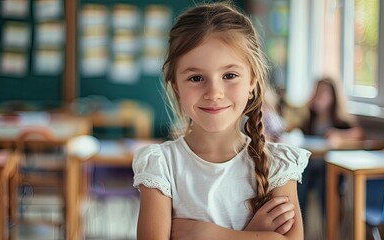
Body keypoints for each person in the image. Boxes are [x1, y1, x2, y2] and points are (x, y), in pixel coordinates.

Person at [132, 3, 310, 240]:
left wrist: (207, 233)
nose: (214, 92)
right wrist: (256, 235)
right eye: (196, 78)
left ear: (252, 82)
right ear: (176, 86)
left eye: (229, 75)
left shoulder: (278, 164)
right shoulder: (160, 166)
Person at [296, 77, 363, 225]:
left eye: (323, 93)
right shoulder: (310, 118)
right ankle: (300, 229)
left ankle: (329, 228)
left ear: (333, 97)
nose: (318, 97)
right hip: (309, 167)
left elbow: (358, 133)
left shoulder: (339, 120)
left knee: (323, 183)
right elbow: (295, 129)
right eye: (317, 92)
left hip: (328, 169)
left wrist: (339, 136)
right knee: (298, 178)